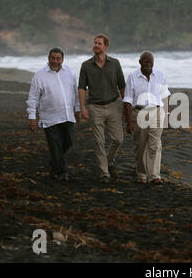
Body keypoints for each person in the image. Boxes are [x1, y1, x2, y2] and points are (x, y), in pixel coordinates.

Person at [26, 47, 81, 181]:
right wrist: (32, 117)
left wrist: (78, 109)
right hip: (50, 118)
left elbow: (75, 92)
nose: (55, 61)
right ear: (48, 58)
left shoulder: (69, 72)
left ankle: (54, 163)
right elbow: (33, 98)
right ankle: (61, 172)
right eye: (53, 58)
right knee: (55, 146)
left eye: (58, 58)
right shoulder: (39, 75)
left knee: (68, 142)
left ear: (62, 59)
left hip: (67, 115)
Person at [78, 34, 126, 183]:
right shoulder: (86, 65)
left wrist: (126, 106)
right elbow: (81, 87)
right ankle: (104, 172)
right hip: (94, 107)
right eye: (95, 43)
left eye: (99, 43)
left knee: (118, 139)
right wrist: (82, 107)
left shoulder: (115, 63)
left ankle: (109, 161)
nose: (96, 45)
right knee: (99, 141)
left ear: (106, 47)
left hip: (113, 105)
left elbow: (122, 86)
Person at [123, 51, 171, 184]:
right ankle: (141, 174)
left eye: (150, 62)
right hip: (139, 113)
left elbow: (165, 96)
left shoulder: (160, 75)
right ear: (140, 62)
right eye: (145, 62)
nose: (148, 65)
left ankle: (154, 176)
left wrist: (166, 116)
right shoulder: (133, 76)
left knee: (155, 144)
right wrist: (129, 122)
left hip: (156, 112)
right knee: (140, 145)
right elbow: (127, 100)